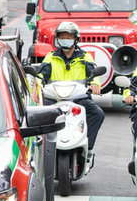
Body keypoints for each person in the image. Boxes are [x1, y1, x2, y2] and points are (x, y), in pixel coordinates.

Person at [37, 21, 104, 160]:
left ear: (75, 39)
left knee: (97, 114)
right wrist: (36, 87)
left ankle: (87, 147)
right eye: (62, 37)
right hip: (54, 98)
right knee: (36, 116)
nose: (65, 40)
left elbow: (93, 74)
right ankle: (40, 149)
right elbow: (41, 74)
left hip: (79, 98)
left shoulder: (85, 57)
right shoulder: (51, 57)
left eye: (68, 37)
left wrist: (95, 84)